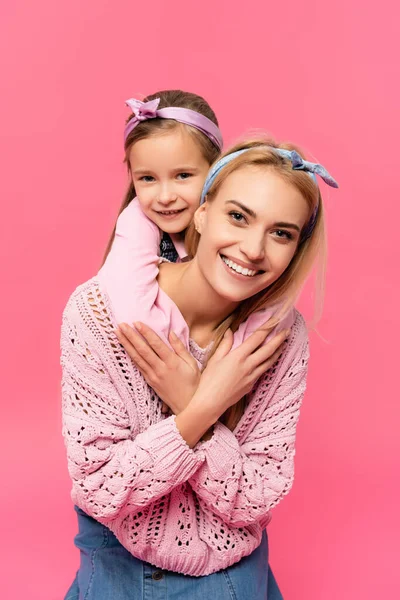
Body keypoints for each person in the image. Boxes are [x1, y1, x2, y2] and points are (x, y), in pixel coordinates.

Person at [61, 139, 337, 599]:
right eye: (238, 216)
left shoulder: (280, 340)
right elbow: (101, 489)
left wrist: (190, 399)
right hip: (118, 563)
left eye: (281, 233)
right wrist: (203, 405)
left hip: (234, 570)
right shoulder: (97, 313)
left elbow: (257, 497)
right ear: (202, 213)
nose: (252, 249)